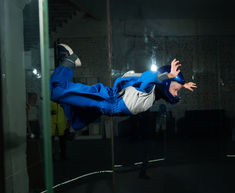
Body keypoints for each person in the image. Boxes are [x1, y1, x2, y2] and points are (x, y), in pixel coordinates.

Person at [50, 44, 197, 130]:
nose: (176, 94)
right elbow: (148, 77)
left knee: (77, 122)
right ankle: (69, 60)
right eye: (176, 90)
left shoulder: (154, 96)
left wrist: (183, 84)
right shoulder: (148, 88)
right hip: (109, 100)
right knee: (55, 91)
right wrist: (168, 76)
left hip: (107, 109)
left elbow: (168, 88)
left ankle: (65, 97)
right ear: (164, 83)